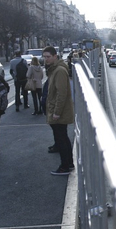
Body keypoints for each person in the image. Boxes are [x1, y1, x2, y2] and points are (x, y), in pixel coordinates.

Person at [43, 46, 75, 175]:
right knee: (63, 137)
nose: (46, 60)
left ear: (55, 56)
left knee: (61, 138)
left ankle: (64, 166)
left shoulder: (59, 71)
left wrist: (56, 112)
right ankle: (69, 163)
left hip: (58, 112)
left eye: (48, 57)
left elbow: (62, 93)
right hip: (57, 110)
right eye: (44, 57)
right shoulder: (55, 69)